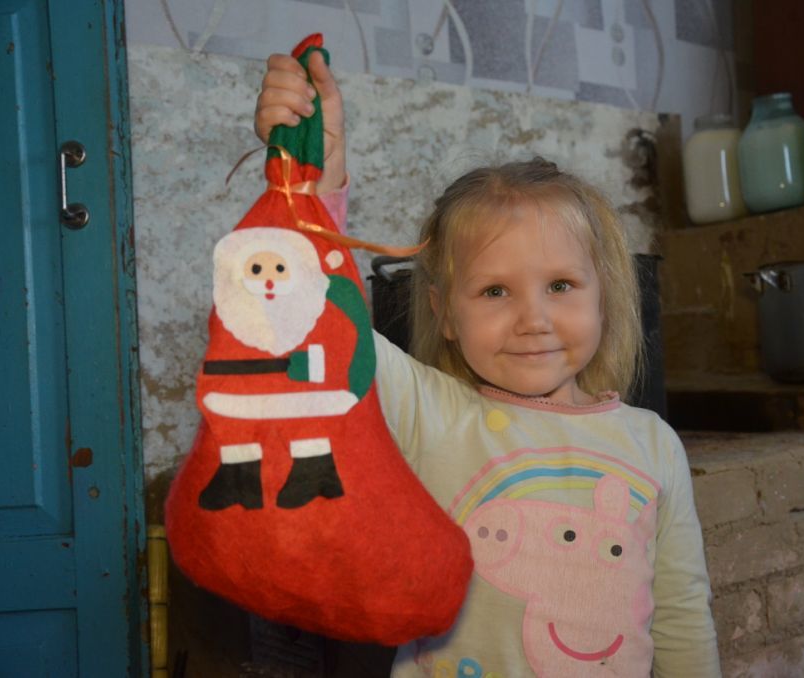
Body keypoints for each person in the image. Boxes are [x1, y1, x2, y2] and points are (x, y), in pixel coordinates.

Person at [255, 48, 721, 678]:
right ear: (446, 313)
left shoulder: (654, 444)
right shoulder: (428, 415)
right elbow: (314, 321)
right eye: (495, 291)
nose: (534, 319)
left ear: (604, 296)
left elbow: (682, 621)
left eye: (560, 285)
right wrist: (311, 182)